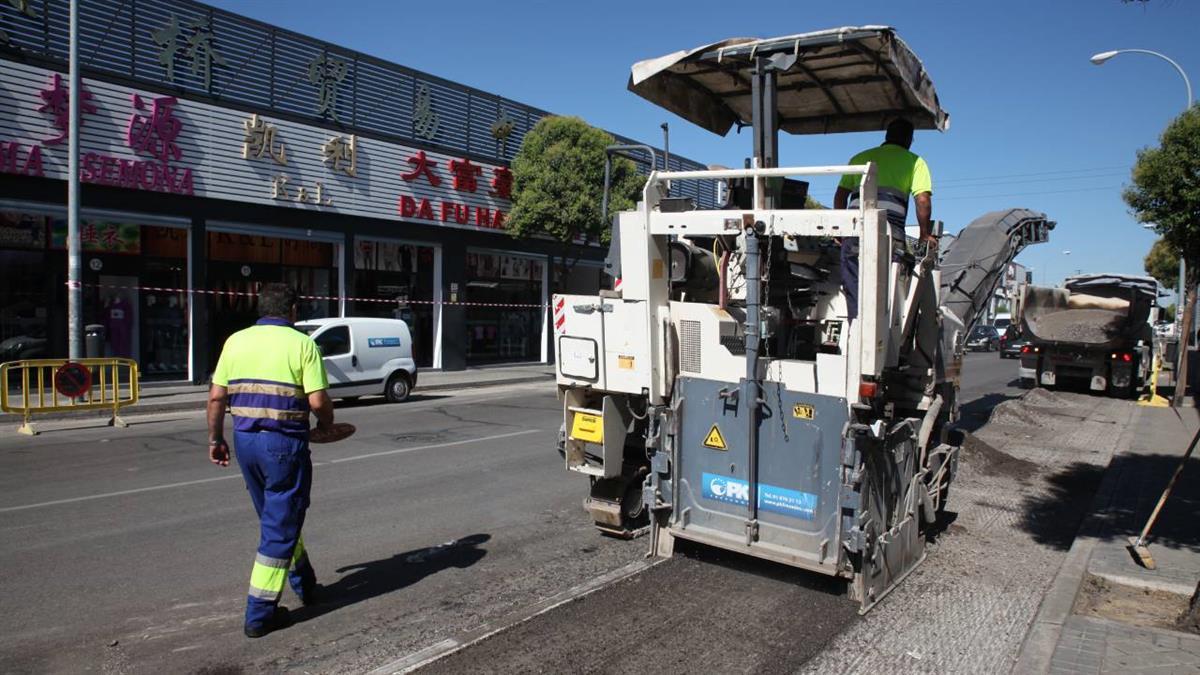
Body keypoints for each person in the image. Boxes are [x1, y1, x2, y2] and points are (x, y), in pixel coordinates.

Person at [207, 283, 334, 638]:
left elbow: (216, 398)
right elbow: (318, 401)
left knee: (278, 516)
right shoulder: (302, 344)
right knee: (279, 526)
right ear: (292, 310)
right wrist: (327, 424)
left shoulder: (235, 341)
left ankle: (305, 583)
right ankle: (259, 614)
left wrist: (215, 439)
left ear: (261, 309)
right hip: (283, 446)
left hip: (245, 443)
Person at [834, 118, 936, 321]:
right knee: (885, 289)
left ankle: (856, 326)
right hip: (890, 234)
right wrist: (925, 234)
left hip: (855, 232)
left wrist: (839, 227)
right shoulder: (915, 162)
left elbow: (840, 195)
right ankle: (880, 331)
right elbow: (923, 200)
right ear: (909, 139)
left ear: (887, 136)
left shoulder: (860, 157)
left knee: (854, 286)